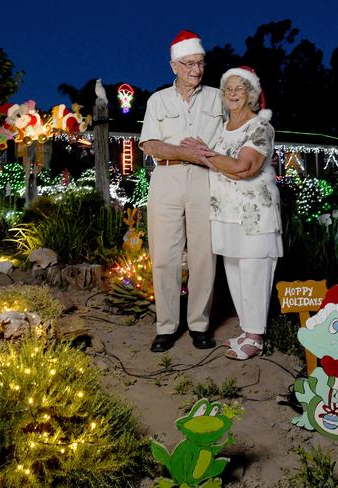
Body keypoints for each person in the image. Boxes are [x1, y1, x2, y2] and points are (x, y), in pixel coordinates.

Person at [181, 66, 283, 360]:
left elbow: (243, 167)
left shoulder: (260, 127)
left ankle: (256, 336)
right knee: (235, 271)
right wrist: (207, 154)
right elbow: (220, 163)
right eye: (228, 89)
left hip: (254, 214)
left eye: (240, 88)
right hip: (224, 212)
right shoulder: (222, 127)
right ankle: (246, 330)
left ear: (251, 94)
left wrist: (207, 155)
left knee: (254, 271)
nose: (233, 94)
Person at [139, 30, 224, 352]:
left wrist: (212, 155)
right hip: (167, 178)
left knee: (204, 255)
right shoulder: (158, 100)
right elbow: (149, 144)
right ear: (173, 65)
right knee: (164, 256)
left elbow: (235, 135)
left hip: (206, 179)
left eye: (200, 63)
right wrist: (183, 152)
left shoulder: (218, 98)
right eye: (188, 64)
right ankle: (166, 326)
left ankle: (200, 324)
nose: (196, 70)